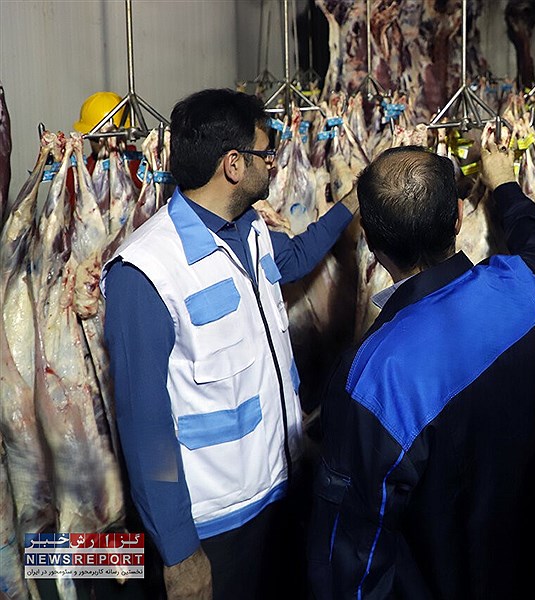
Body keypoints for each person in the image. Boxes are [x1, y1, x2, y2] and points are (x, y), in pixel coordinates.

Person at [101, 88, 358, 600]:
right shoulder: (147, 271)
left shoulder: (251, 228)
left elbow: (294, 259)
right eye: (266, 153)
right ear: (234, 165)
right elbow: (145, 426)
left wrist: (352, 204)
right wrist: (179, 550)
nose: (273, 163)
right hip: (218, 525)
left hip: (284, 487)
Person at [308, 136, 535, 599]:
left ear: (369, 238)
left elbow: (355, 552)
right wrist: (504, 184)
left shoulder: (374, 377)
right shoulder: (517, 287)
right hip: (522, 566)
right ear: (459, 218)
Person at [68, 91, 142, 195]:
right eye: (98, 138)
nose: (105, 142)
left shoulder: (143, 169)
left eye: (113, 136)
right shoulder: (74, 176)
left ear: (125, 134)